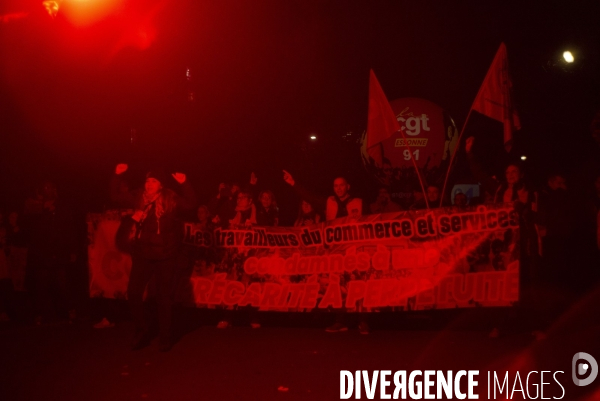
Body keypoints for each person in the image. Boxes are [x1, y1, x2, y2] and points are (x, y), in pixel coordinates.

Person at [110, 163, 196, 351]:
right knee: (133, 293)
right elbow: (114, 197)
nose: (149, 184)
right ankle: (142, 330)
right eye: (147, 181)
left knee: (163, 297)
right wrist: (116, 176)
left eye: (154, 181)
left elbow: (190, 204)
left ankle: (165, 337)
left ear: (161, 185)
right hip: (143, 254)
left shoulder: (170, 198)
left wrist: (185, 184)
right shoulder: (138, 196)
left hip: (166, 255)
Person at [282, 170, 369, 334]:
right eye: (336, 186)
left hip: (356, 250)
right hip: (335, 252)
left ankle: (363, 321)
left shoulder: (359, 202)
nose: (339, 188)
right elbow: (309, 197)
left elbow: (376, 222)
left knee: (359, 283)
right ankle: (340, 321)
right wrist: (294, 183)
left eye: (341, 185)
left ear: (347, 186)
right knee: (337, 285)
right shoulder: (328, 202)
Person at [24, 180, 77, 325]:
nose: (48, 190)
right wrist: (43, 207)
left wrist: (72, 250)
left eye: (50, 188)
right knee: (41, 284)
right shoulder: (35, 205)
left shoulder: (62, 207)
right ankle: (39, 314)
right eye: (45, 188)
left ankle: (70, 311)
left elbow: (69, 229)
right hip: (42, 252)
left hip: (59, 251)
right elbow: (29, 209)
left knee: (62, 283)